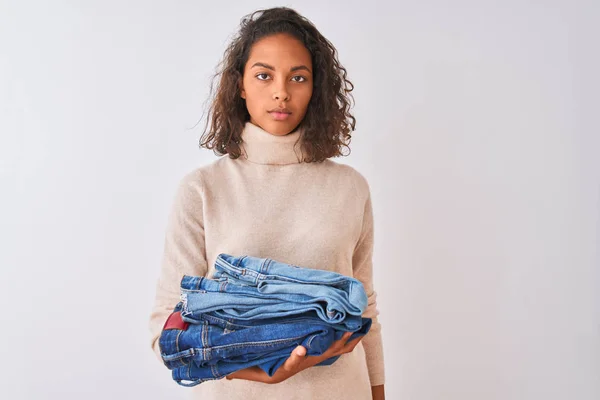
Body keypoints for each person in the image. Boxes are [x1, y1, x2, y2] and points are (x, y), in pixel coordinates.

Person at [148, 6, 385, 400]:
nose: (281, 91)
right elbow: (166, 328)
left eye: (298, 77)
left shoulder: (351, 187)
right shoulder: (202, 189)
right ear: (240, 84)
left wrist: (379, 392)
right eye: (263, 75)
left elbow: (366, 308)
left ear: (316, 88)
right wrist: (259, 373)